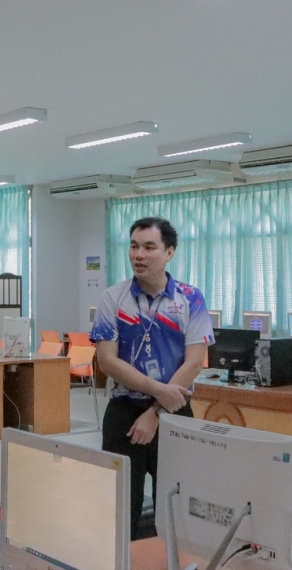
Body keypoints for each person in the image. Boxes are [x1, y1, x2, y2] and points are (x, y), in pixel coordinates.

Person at [91, 217, 213, 537]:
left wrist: (156, 411)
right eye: (134, 246)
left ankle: (167, 567)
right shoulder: (112, 299)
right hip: (124, 413)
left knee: (174, 512)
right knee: (119, 511)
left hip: (175, 412)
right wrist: (159, 392)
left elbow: (195, 362)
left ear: (169, 252)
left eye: (149, 247)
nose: (139, 255)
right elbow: (107, 361)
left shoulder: (191, 298)